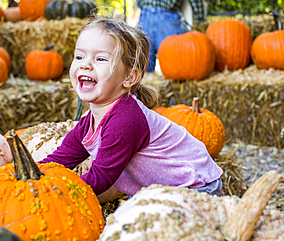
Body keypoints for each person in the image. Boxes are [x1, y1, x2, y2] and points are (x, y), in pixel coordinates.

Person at [40, 17, 223, 202]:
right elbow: (58, 161)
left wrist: (56, 194)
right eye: (79, 56)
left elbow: (99, 179)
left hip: (196, 187)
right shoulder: (89, 122)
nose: (85, 64)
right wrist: (24, 179)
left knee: (140, 225)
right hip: (164, 191)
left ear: (129, 76)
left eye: (100, 58)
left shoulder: (124, 119)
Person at [135, 0, 207, 72]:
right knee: (143, 71)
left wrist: (199, 22)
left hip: (168, 17)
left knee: (176, 68)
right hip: (143, 15)